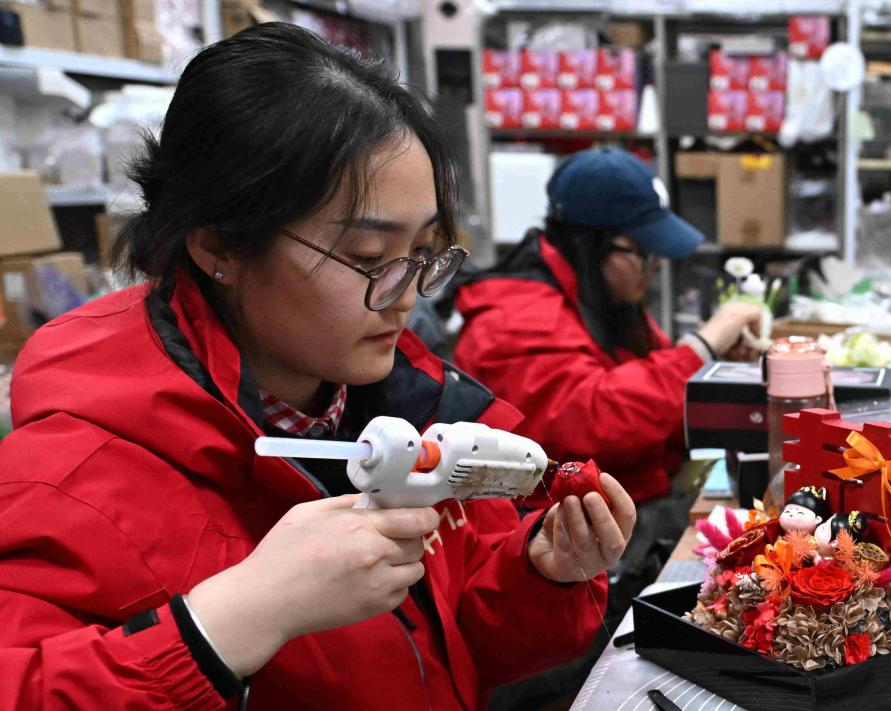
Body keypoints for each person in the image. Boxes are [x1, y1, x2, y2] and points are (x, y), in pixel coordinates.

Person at [0, 24, 636, 710]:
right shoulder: (74, 472)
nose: (407, 295)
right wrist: (232, 621)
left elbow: (446, 650)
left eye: (424, 253)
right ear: (222, 245)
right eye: (368, 258)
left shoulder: (395, 405)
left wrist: (541, 573)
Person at [453, 147, 763, 584]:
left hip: (625, 505)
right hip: (553, 546)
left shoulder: (604, 300)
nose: (653, 268)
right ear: (590, 243)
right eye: (642, 252)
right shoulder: (513, 319)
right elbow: (592, 420)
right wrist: (702, 348)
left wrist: (715, 376)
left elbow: (660, 397)